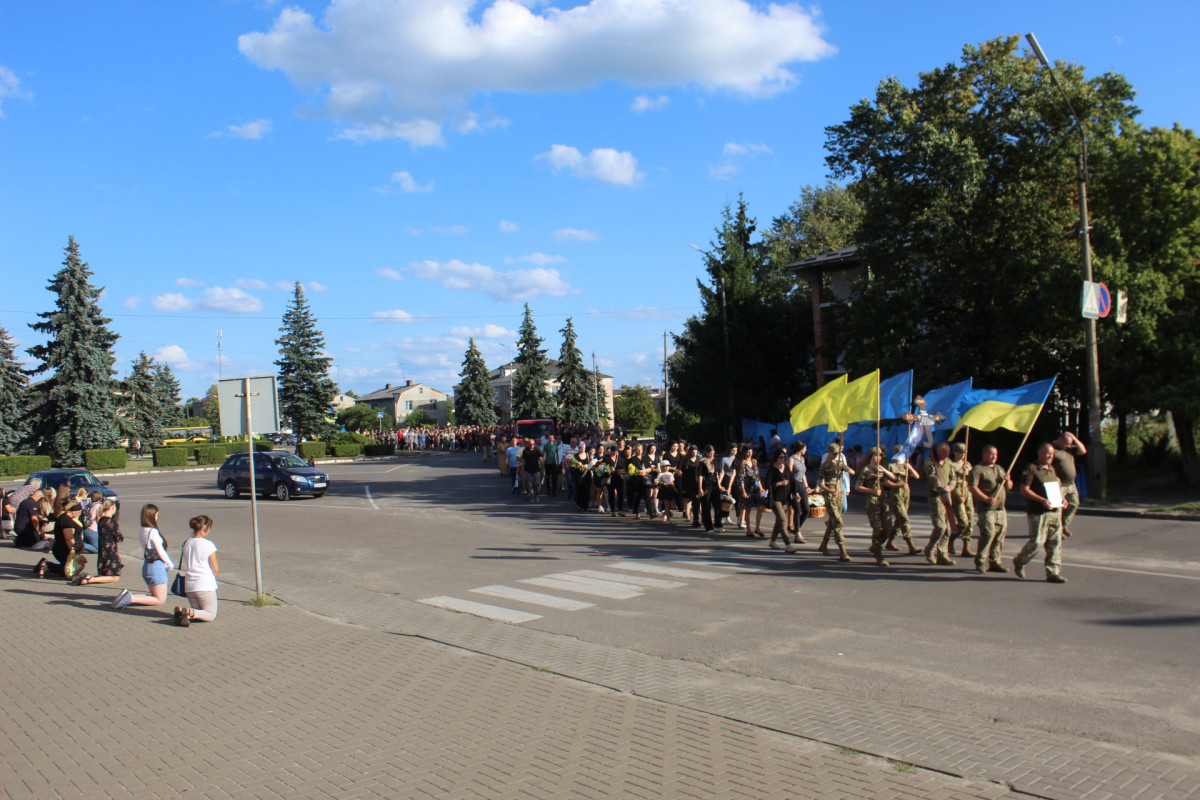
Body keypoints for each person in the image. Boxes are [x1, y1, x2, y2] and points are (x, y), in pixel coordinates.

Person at [1014, 443, 1068, 583]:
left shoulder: (1051, 470)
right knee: (1037, 542)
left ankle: (1053, 572)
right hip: (1038, 512)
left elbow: (1056, 488)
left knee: (1054, 543)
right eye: (1047, 453)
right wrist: (1042, 500)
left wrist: (1062, 499)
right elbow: (1024, 489)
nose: (1050, 456)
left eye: (1051, 454)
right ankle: (1020, 560)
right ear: (1040, 453)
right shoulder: (1031, 468)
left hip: (1055, 512)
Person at [111, 503, 175, 610]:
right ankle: (130, 598)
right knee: (160, 599)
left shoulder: (142, 530)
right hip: (156, 566)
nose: (157, 517)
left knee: (155, 596)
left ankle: (128, 597)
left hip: (148, 565)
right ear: (152, 515)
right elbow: (160, 551)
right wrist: (170, 564)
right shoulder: (153, 531)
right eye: (156, 514)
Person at [969, 444, 1012, 574]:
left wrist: (1008, 481)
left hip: (1000, 509)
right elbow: (972, 487)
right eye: (991, 454)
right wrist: (986, 499)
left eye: (995, 455)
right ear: (984, 454)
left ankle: (995, 561)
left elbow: (1008, 487)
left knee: (999, 536)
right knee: (988, 534)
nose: (994, 457)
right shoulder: (978, 469)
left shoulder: (999, 469)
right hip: (986, 508)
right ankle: (980, 560)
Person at [176, 514, 220, 626]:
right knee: (210, 614)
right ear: (205, 528)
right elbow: (215, 568)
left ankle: (184, 612)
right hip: (204, 584)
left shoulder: (187, 543)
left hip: (190, 585)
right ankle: (189, 612)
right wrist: (213, 579)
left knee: (200, 613)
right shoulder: (208, 545)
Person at [855, 447, 893, 566]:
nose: (880, 458)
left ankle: (875, 546)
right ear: (872, 457)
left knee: (888, 529)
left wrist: (884, 471)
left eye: (881, 456)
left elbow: (893, 478)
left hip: (884, 501)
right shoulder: (866, 470)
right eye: (877, 455)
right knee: (878, 529)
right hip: (872, 502)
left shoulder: (882, 469)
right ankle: (878, 555)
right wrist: (872, 491)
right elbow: (858, 486)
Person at [31, 499, 87, 580]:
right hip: (64, 549)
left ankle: (47, 565)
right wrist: (74, 551)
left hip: (61, 548)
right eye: (79, 511)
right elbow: (69, 538)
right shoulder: (67, 521)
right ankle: (47, 566)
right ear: (73, 511)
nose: (79, 513)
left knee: (70, 565)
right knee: (68, 570)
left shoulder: (64, 517)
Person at [882, 445, 922, 555]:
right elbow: (886, 483)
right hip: (897, 495)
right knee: (904, 519)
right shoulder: (891, 466)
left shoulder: (906, 465)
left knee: (899, 521)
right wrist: (899, 485)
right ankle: (911, 545)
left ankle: (889, 542)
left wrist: (911, 468)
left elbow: (917, 476)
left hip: (906, 495)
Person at [74, 499, 123, 586]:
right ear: (112, 508)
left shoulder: (101, 520)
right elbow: (118, 537)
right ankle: (90, 579)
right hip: (110, 550)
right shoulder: (111, 522)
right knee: (115, 577)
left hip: (102, 548)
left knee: (104, 573)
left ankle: (92, 579)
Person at [923, 443, 957, 566]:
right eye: (943, 452)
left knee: (947, 528)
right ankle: (930, 549)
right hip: (936, 497)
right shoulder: (930, 462)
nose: (946, 455)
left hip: (947, 497)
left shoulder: (949, 462)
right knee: (940, 527)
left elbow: (954, 478)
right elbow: (932, 478)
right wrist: (941, 488)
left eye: (948, 453)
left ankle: (943, 554)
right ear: (938, 452)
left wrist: (949, 487)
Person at [817, 443, 853, 561]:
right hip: (830, 494)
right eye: (834, 453)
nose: (836, 455)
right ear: (829, 453)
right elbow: (820, 483)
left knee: (833, 522)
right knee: (837, 521)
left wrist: (843, 468)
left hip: (840, 492)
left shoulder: (840, 463)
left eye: (838, 453)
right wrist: (830, 491)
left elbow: (852, 472)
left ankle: (823, 545)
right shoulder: (825, 466)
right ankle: (842, 550)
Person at [1053, 432, 1086, 537]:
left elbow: (1083, 451)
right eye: (1066, 443)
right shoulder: (1052, 449)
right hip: (1058, 485)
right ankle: (1057, 530)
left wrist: (1074, 438)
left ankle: (1064, 525)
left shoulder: (1069, 449)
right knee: (1058, 508)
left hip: (1071, 484)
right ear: (1060, 440)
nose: (1068, 446)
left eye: (1069, 444)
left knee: (1074, 504)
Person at [946, 442, 975, 558]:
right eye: (960, 452)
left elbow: (972, 480)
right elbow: (949, 483)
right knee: (963, 522)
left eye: (964, 452)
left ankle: (966, 547)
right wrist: (957, 496)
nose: (962, 454)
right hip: (957, 494)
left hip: (967, 494)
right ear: (955, 452)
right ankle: (951, 538)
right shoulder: (951, 465)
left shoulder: (967, 464)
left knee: (971, 521)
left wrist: (970, 471)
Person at [765, 450, 796, 553]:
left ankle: (772, 541)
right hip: (776, 499)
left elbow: (792, 481)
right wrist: (779, 484)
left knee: (779, 521)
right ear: (776, 458)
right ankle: (787, 544)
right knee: (783, 520)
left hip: (786, 499)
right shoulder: (772, 470)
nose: (783, 459)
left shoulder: (786, 468)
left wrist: (794, 493)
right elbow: (767, 484)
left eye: (784, 457)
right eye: (781, 457)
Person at [786, 441, 809, 544]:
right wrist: (793, 491)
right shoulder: (791, 459)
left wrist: (807, 486)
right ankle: (797, 534)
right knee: (797, 509)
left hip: (801, 485)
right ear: (800, 449)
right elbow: (789, 475)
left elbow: (803, 474)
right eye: (805, 448)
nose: (806, 450)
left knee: (807, 509)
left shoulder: (802, 459)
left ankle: (796, 529)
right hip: (793, 485)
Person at [521, 438, 544, 504]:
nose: (532, 445)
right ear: (528, 444)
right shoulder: (525, 451)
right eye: (530, 444)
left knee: (537, 483)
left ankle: (536, 495)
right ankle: (532, 497)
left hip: (536, 469)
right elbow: (522, 461)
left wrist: (542, 468)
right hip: (528, 470)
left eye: (533, 444)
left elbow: (541, 459)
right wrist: (522, 471)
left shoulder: (537, 450)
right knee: (530, 484)